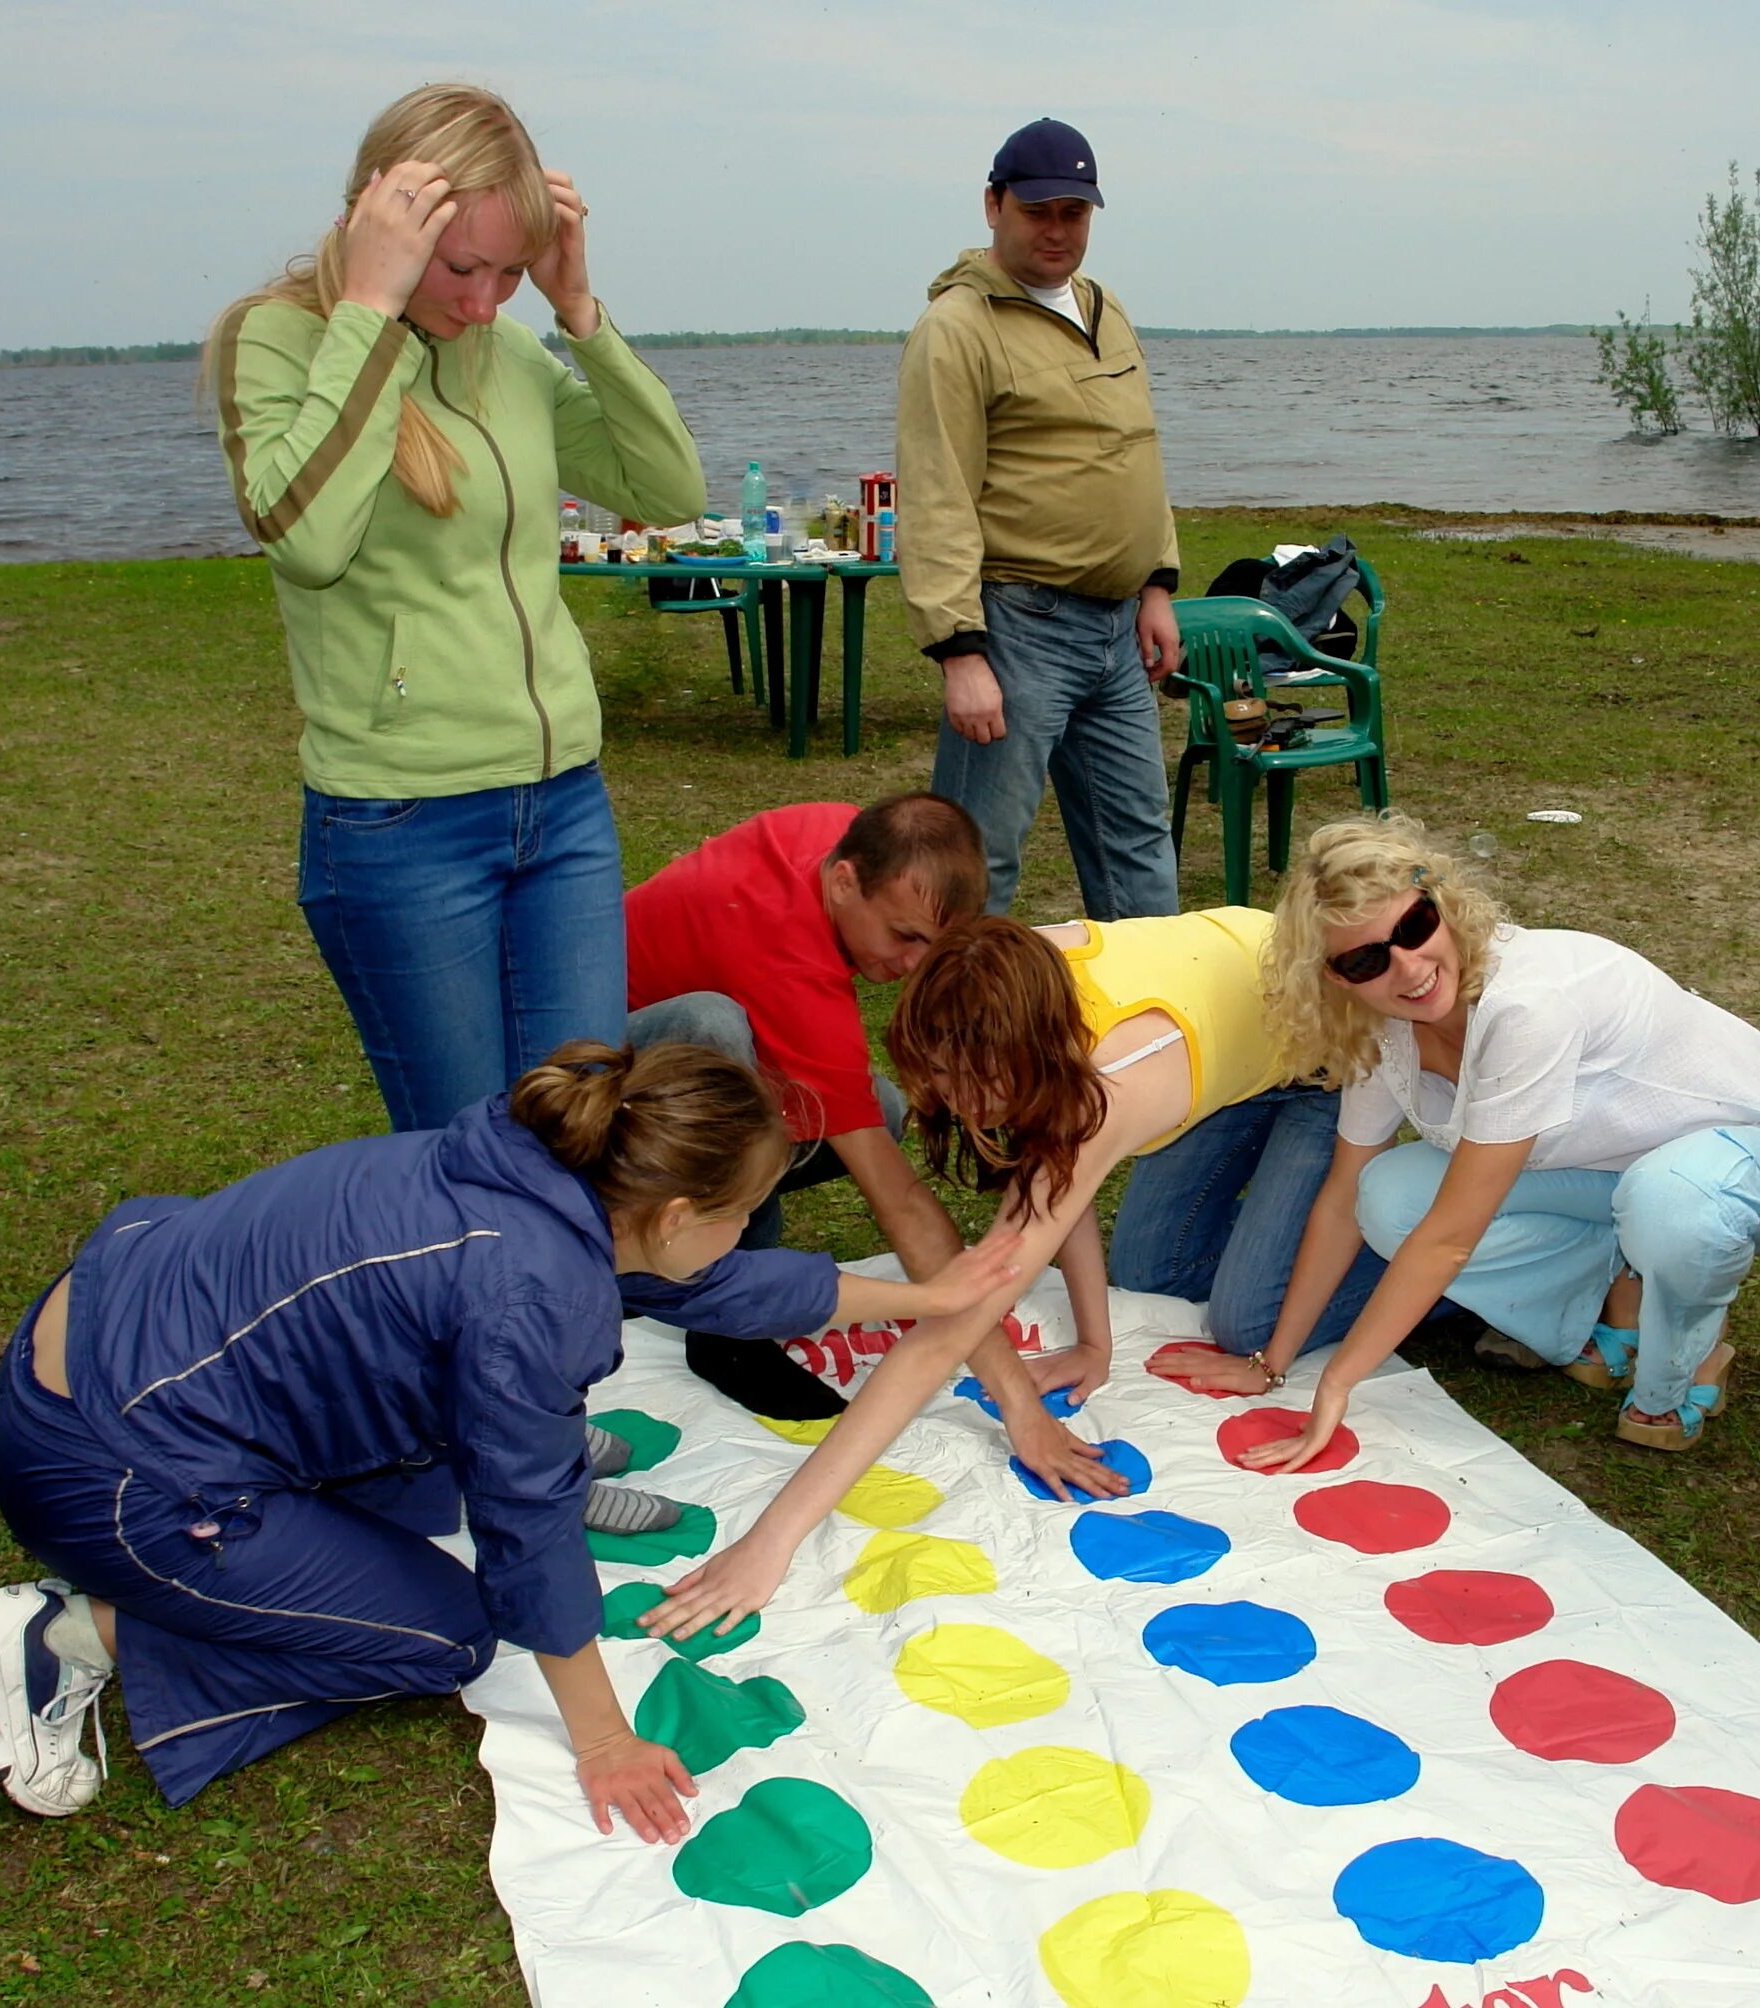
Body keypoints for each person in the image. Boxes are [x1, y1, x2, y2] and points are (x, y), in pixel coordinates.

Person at [0, 1041, 1016, 1828]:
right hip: (112, 1465)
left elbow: (724, 1282)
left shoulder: (546, 1163)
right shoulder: (529, 1296)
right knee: (446, 1632)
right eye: (743, 1210)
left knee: (442, 1482)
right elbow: (530, 1533)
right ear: (680, 1209)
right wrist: (601, 1737)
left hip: (118, 1336)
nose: (748, 1229)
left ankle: (404, 1479)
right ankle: (65, 1633)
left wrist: (925, 1297)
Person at [635, 908, 1387, 1644]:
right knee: (1154, 1273)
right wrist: (1094, 1343)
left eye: (966, 1087)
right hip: (1235, 1025)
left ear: (1030, 1061)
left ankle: (1427, 1256)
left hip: (1324, 1051)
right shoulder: (1007, 986)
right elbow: (1061, 1174)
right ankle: (1289, 1211)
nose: (949, 1105)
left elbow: (947, 1332)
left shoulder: (1109, 1086)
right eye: (935, 1078)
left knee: (1249, 1323)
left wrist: (771, 1543)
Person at [209, 83, 705, 1134]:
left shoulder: (512, 350)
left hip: (561, 803)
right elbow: (305, 540)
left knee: (581, 1133)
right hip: (403, 820)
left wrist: (580, 314)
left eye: (511, 272)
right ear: (377, 223)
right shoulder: (278, 342)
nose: (483, 303)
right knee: (467, 1159)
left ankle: (575, 1305)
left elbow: (669, 493)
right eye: (460, 268)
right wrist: (370, 317)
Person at [1219, 816, 1760, 1471]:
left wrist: (1336, 1384)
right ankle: (1612, 1284)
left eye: (1415, 927)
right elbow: (1342, 1198)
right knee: (1387, 1196)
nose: (1408, 966)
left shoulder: (1524, 1006)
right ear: (1337, 978)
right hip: (1607, 1176)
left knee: (1670, 1204)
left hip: (1748, 1165)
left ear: (1442, 906)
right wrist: (1272, 1363)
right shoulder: (1379, 1026)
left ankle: (1686, 1359)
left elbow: (1451, 1236)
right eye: (1367, 959)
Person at [896, 117, 1183, 921]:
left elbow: (1136, 450)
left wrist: (1158, 583)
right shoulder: (955, 329)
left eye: (1074, 212)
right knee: (976, 860)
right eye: (1038, 210)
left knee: (1139, 848)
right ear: (994, 205)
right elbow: (936, 491)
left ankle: (1147, 1032)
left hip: (1118, 633)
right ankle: (953, 1041)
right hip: (1021, 627)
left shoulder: (1104, 306)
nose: (1057, 229)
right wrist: (960, 651)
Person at [623, 792, 989, 1420]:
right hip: (584, 1084)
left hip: (657, 1061)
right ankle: (727, 1318)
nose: (913, 966)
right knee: (717, 1037)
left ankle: (687, 1256)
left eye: (933, 944)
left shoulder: (841, 834)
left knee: (881, 1106)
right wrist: (961, 1305)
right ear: (845, 881)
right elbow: (892, 1192)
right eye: (904, 937)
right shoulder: (786, 956)